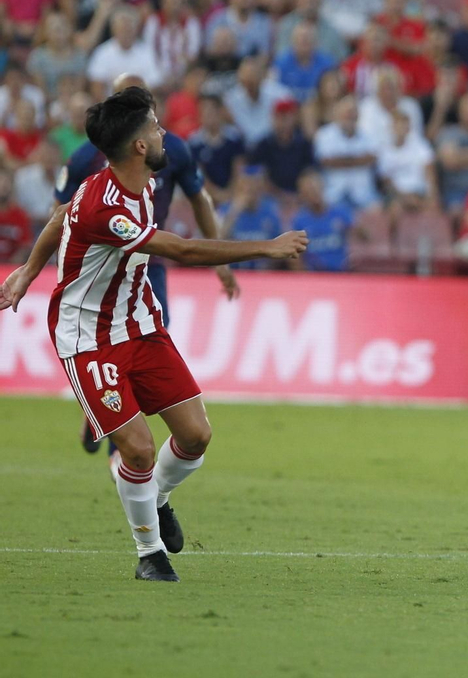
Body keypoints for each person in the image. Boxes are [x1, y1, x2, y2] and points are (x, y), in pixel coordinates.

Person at [0, 86, 306, 582]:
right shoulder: (107, 206)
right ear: (140, 146)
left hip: (140, 322)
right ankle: (150, 554)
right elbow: (181, 250)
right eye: (156, 127)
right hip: (89, 338)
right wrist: (265, 247)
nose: (164, 132)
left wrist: (27, 272)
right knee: (139, 449)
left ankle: (155, 497)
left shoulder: (133, 181)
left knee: (196, 435)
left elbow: (60, 215)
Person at [57, 73, 241, 457]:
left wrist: (220, 265)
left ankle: (114, 432)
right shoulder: (89, 157)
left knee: (149, 340)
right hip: (100, 270)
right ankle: (113, 427)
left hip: (147, 261)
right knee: (109, 343)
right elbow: (61, 212)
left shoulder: (173, 149)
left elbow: (199, 199)